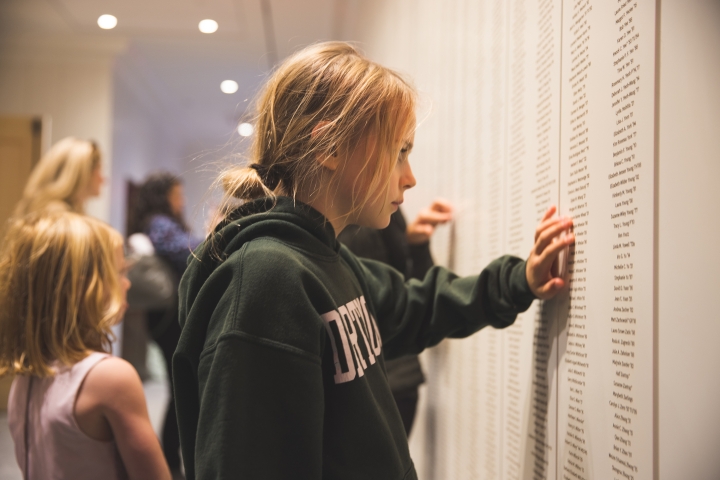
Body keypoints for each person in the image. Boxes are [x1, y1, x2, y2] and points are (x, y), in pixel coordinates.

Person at [173, 41, 574, 480]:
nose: (410, 176)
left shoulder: (325, 258)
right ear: (329, 146)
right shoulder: (265, 281)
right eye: (399, 151)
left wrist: (520, 280)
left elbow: (412, 306)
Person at [0, 212, 171, 480]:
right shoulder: (111, 378)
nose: (126, 283)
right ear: (83, 288)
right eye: (119, 272)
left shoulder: (26, 377)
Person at [338, 199, 453, 436]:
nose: (409, 180)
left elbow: (417, 294)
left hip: (394, 382)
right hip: (341, 386)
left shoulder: (378, 201)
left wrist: (416, 245)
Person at [129, 172, 201, 477]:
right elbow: (186, 252)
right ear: (163, 197)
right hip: (167, 316)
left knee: (179, 385)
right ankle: (170, 456)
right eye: (177, 195)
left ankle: (171, 453)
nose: (181, 201)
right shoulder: (160, 223)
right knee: (182, 385)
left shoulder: (154, 222)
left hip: (162, 315)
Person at [14, 136, 104, 216]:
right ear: (83, 174)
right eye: (99, 169)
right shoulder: (58, 216)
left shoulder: (65, 211)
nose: (103, 179)